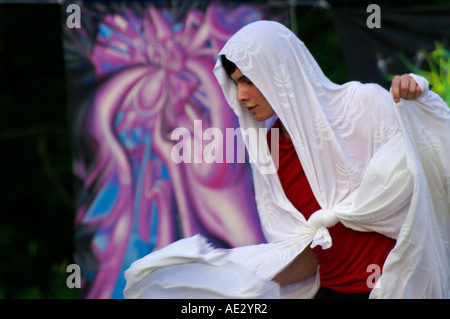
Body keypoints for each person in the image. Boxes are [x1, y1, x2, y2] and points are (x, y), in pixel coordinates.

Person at [124, 21, 449, 299]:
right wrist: (216, 280)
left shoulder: (364, 105)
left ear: (281, 70)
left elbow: (431, 174)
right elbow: (310, 253)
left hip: (401, 286)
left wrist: (419, 105)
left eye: (248, 79)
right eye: (236, 83)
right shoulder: (270, 150)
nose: (240, 95)